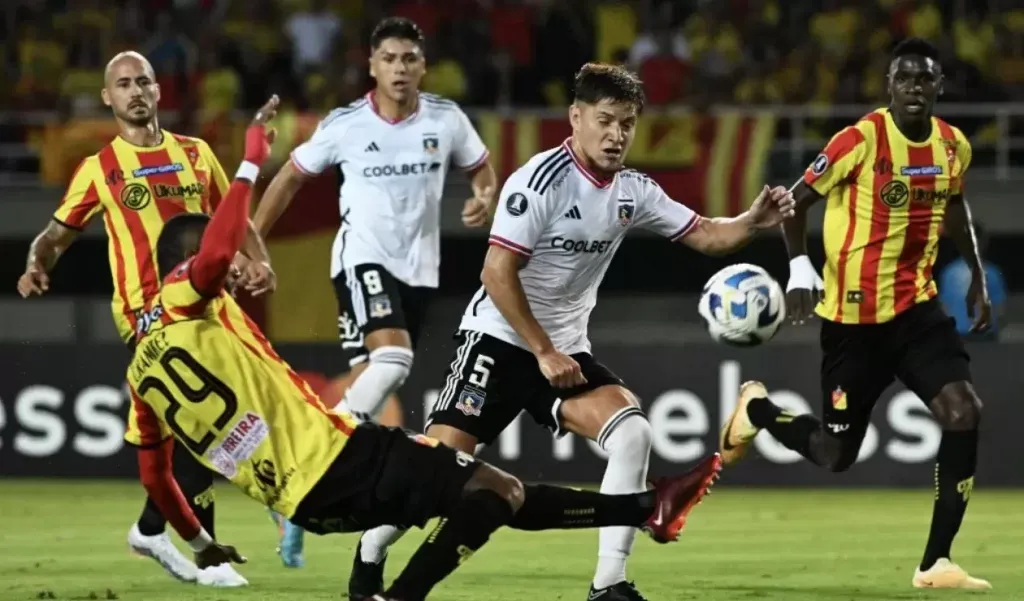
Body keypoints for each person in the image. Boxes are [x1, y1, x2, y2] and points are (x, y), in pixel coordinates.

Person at [125, 98, 724, 601]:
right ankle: (649, 505)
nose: (236, 275)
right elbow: (214, 251)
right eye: (227, 270)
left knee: (486, 488)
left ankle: (616, 559)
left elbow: (158, 476)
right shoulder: (189, 293)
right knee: (487, 483)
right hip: (346, 448)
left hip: (305, 501)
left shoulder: (140, 370)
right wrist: (252, 161)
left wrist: (202, 545)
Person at [352, 62, 795, 601]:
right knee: (435, 477)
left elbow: (704, 234)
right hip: (498, 341)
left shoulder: (634, 190)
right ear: (576, 117)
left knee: (633, 433)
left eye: (627, 124)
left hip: (563, 351)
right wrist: (540, 350)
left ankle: (609, 583)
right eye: (605, 120)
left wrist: (750, 222)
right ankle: (370, 552)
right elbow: (495, 272)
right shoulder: (540, 181)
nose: (616, 135)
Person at [719, 38, 991, 590]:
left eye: (925, 78)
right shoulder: (860, 141)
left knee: (963, 411)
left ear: (939, 87)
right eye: (904, 78)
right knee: (835, 453)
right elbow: (793, 201)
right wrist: (798, 268)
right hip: (853, 325)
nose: (914, 87)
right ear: (889, 86)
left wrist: (978, 276)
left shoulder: (952, 146)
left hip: (918, 311)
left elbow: (955, 206)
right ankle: (759, 411)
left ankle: (935, 562)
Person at [16, 51, 273, 587]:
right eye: (123, 84)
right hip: (148, 313)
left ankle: (154, 528)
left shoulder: (196, 154)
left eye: (143, 81)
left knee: (222, 418)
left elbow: (234, 217)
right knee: (203, 420)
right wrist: (36, 263)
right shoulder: (99, 170)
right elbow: (55, 235)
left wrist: (258, 260)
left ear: (158, 91)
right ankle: (208, 554)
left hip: (207, 305)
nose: (135, 91)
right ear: (108, 98)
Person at [252, 16, 497, 566]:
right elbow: (290, 176)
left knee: (383, 378)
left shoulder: (446, 119)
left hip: (419, 273)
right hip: (361, 259)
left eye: (409, 58)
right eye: (390, 58)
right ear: (372, 66)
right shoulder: (346, 125)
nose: (400, 68)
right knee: (393, 359)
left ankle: (295, 495)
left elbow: (482, 170)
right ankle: (310, 463)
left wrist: (484, 196)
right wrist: (254, 243)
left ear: (423, 65)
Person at [938, 222, 1007, 340]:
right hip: (985, 334)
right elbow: (1000, 310)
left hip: (957, 334)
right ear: (984, 243)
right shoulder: (993, 272)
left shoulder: (949, 272)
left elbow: (944, 308)